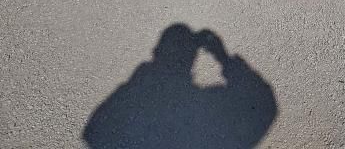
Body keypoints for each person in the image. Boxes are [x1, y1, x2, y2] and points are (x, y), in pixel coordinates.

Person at [83, 24, 276, 148]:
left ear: (156, 53)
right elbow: (265, 105)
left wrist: (135, 85)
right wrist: (223, 58)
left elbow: (93, 132)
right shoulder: (208, 109)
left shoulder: (136, 106)